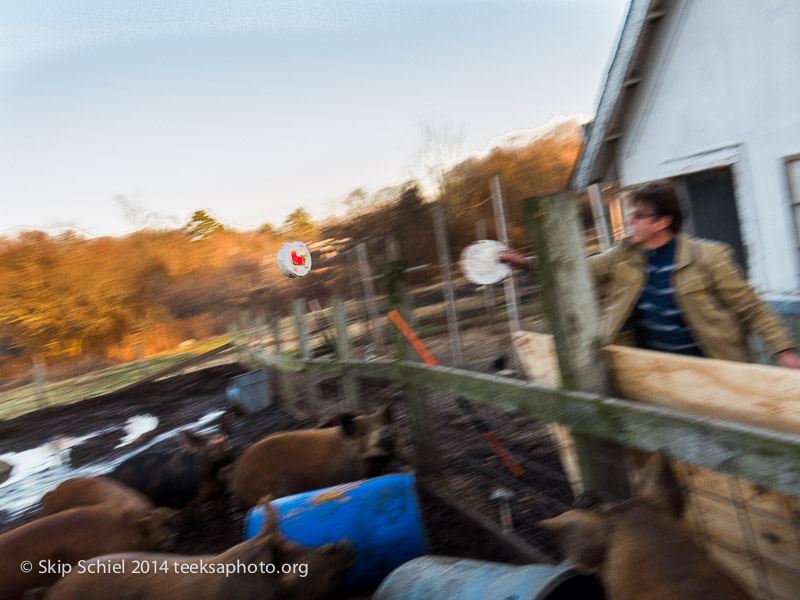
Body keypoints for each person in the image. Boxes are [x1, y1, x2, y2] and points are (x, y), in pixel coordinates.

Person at [500, 182, 800, 368]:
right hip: (652, 370)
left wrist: (783, 351)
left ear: (663, 222)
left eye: (638, 216)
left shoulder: (710, 257)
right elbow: (577, 271)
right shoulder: (624, 255)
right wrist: (526, 263)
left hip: (714, 369)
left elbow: (752, 307)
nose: (629, 221)